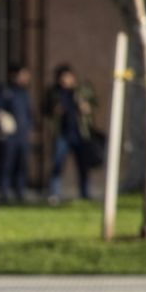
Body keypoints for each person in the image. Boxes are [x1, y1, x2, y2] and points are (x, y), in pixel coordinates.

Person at [45, 64, 96, 203]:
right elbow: (45, 109)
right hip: (62, 134)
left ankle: (84, 193)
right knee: (57, 163)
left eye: (68, 77)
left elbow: (94, 104)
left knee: (82, 165)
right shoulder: (54, 93)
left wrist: (85, 107)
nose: (65, 80)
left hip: (80, 134)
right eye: (63, 77)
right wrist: (55, 111)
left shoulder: (81, 91)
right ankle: (54, 193)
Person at [0, 64, 33, 204]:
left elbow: (28, 114)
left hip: (22, 135)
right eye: (23, 74)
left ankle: (20, 192)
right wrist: (2, 119)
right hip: (10, 137)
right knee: (6, 164)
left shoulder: (25, 93)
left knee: (21, 165)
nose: (26, 78)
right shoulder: (6, 92)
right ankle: (4, 192)